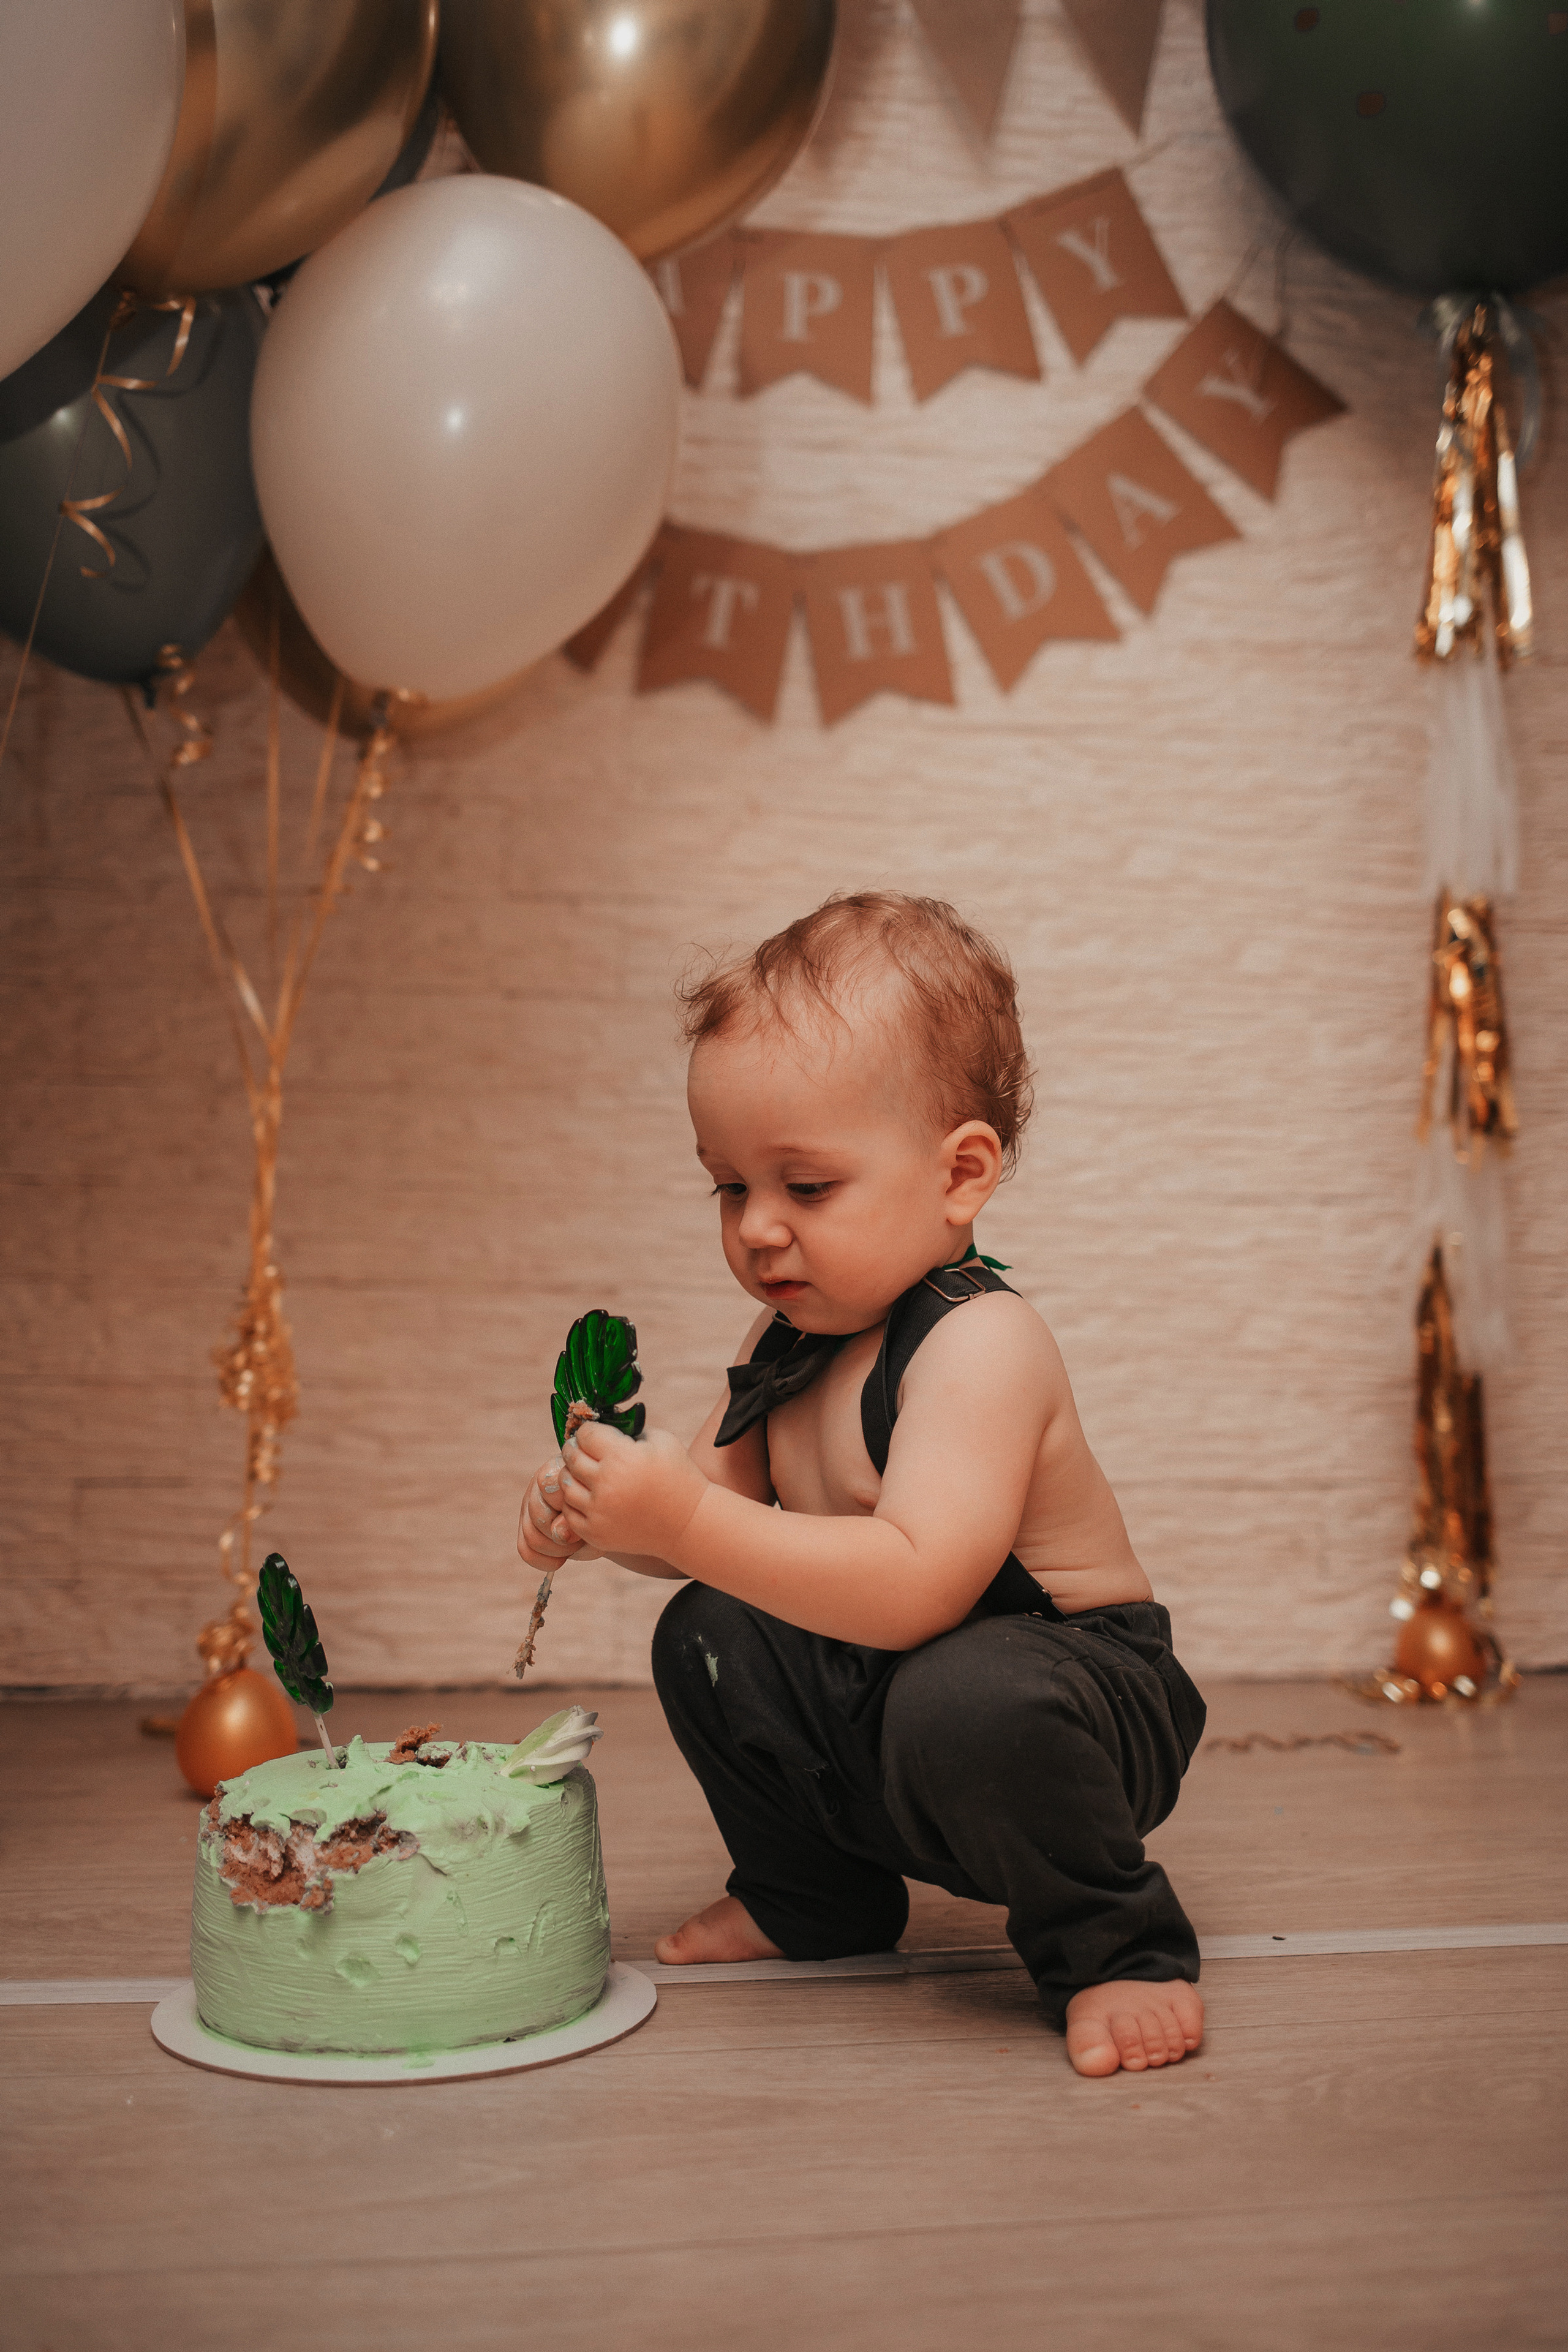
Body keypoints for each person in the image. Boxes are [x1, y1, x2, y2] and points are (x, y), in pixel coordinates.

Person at [517, 891, 1207, 2077]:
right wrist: (611, 1514)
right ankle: (813, 1896)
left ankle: (1114, 1949)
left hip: (1071, 1704)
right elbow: (701, 1527)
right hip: (896, 1690)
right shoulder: (782, 1339)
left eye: (807, 1186)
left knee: (969, 1690)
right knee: (707, 1629)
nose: (759, 1231)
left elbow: (914, 1592)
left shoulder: (981, 1344)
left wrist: (680, 1513)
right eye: (729, 1187)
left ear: (960, 1175)